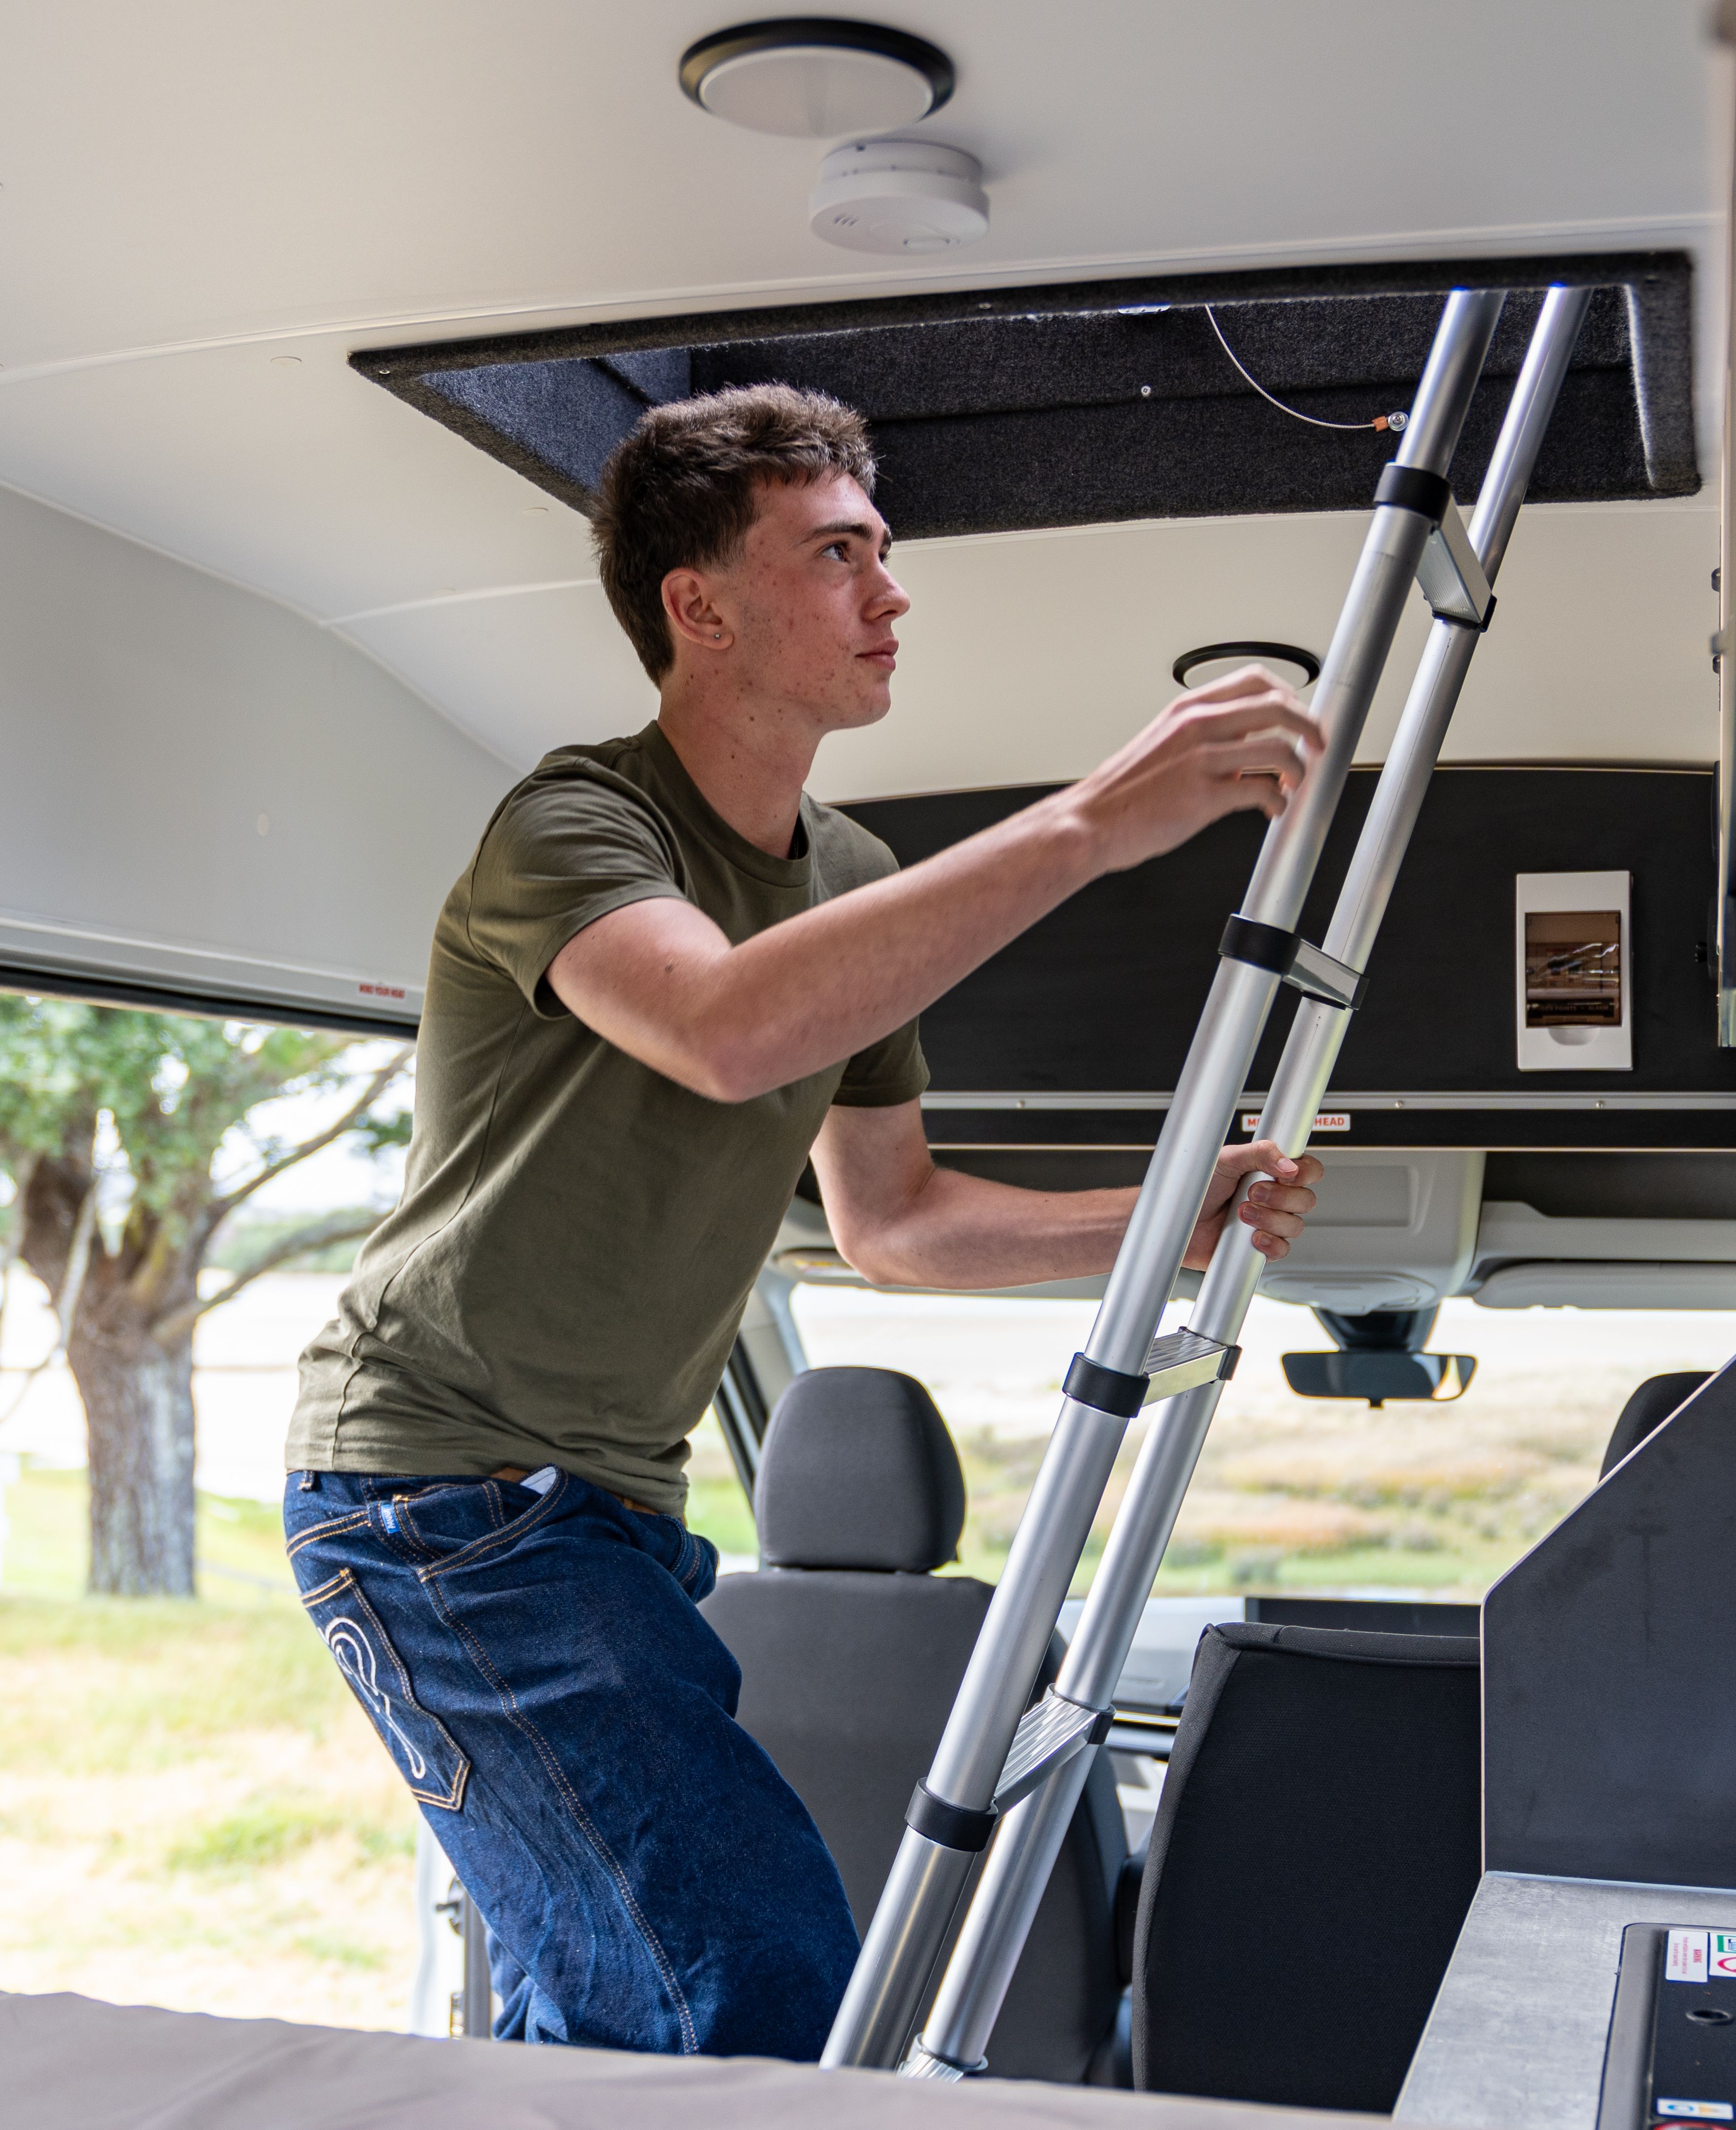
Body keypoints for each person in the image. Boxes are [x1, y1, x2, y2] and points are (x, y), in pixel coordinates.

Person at [285, 382, 1325, 2059]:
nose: (891, 594)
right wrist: (1084, 828)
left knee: (619, 2017)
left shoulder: (845, 868)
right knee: (754, 1984)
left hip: (606, 1517)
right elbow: (722, 1029)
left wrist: (1165, 1221)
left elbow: (895, 1220)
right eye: (840, 555)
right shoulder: (575, 824)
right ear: (700, 607)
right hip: (437, 1497)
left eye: (882, 552)